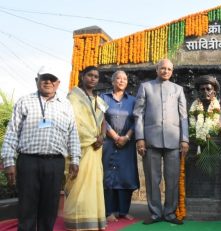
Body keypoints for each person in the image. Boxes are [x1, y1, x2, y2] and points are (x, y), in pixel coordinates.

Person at [0, 66, 81, 231]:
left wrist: (75, 158)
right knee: (26, 207)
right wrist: (8, 161)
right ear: (37, 80)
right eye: (44, 78)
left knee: (50, 207)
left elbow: (73, 133)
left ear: (58, 83)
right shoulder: (25, 101)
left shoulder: (66, 105)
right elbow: (12, 132)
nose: (48, 82)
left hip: (55, 163)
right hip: (28, 162)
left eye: (52, 79)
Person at [134, 59, 189, 225]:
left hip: (174, 140)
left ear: (172, 71)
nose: (166, 71)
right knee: (152, 179)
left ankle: (170, 213)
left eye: (169, 69)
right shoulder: (146, 87)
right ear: (157, 70)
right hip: (150, 140)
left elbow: (183, 116)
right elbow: (138, 114)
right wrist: (140, 138)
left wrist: (184, 139)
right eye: (163, 68)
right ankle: (155, 213)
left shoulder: (178, 89)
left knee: (172, 179)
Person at [63, 66, 108, 230]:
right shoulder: (72, 97)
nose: (93, 79)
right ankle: (76, 220)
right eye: (90, 75)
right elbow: (74, 121)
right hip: (80, 146)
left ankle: (93, 219)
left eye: (96, 76)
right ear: (82, 76)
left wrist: (102, 136)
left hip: (96, 147)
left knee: (94, 183)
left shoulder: (100, 100)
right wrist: (91, 139)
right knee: (79, 181)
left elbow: (104, 121)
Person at [100, 70, 139, 222]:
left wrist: (127, 136)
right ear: (112, 81)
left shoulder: (133, 100)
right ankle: (109, 211)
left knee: (126, 176)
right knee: (109, 176)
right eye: (118, 78)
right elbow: (101, 118)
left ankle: (123, 211)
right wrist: (115, 136)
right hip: (109, 143)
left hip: (127, 144)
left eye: (124, 79)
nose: (121, 81)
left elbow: (137, 120)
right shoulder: (103, 98)